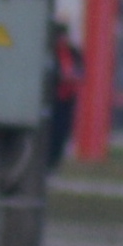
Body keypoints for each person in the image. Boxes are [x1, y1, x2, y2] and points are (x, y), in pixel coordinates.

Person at [49, 21, 82, 167]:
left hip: (68, 98)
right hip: (54, 98)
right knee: (52, 131)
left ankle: (56, 160)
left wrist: (74, 76)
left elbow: (81, 70)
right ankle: (49, 160)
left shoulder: (74, 52)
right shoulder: (51, 52)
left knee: (63, 130)